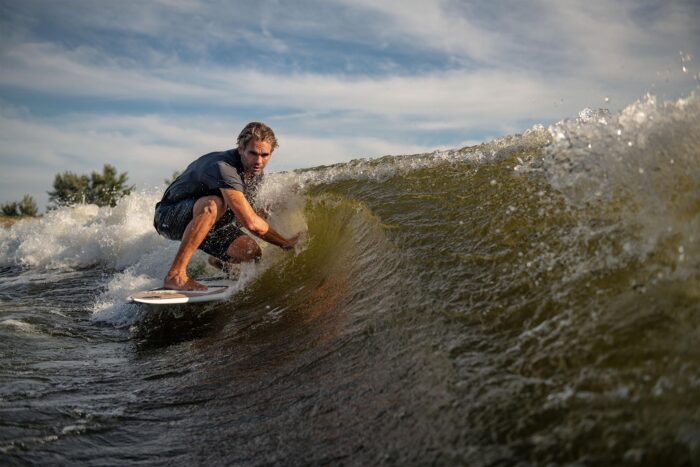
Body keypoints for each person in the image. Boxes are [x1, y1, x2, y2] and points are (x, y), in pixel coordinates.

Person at [154, 122, 301, 290]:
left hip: (205, 223)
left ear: (271, 153)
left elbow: (242, 217)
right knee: (213, 204)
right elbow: (251, 223)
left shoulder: (255, 174)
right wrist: (285, 243)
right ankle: (175, 275)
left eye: (265, 155)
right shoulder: (224, 167)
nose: (258, 161)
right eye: (252, 153)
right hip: (169, 217)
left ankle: (220, 261)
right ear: (240, 149)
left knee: (251, 252)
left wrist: (273, 207)